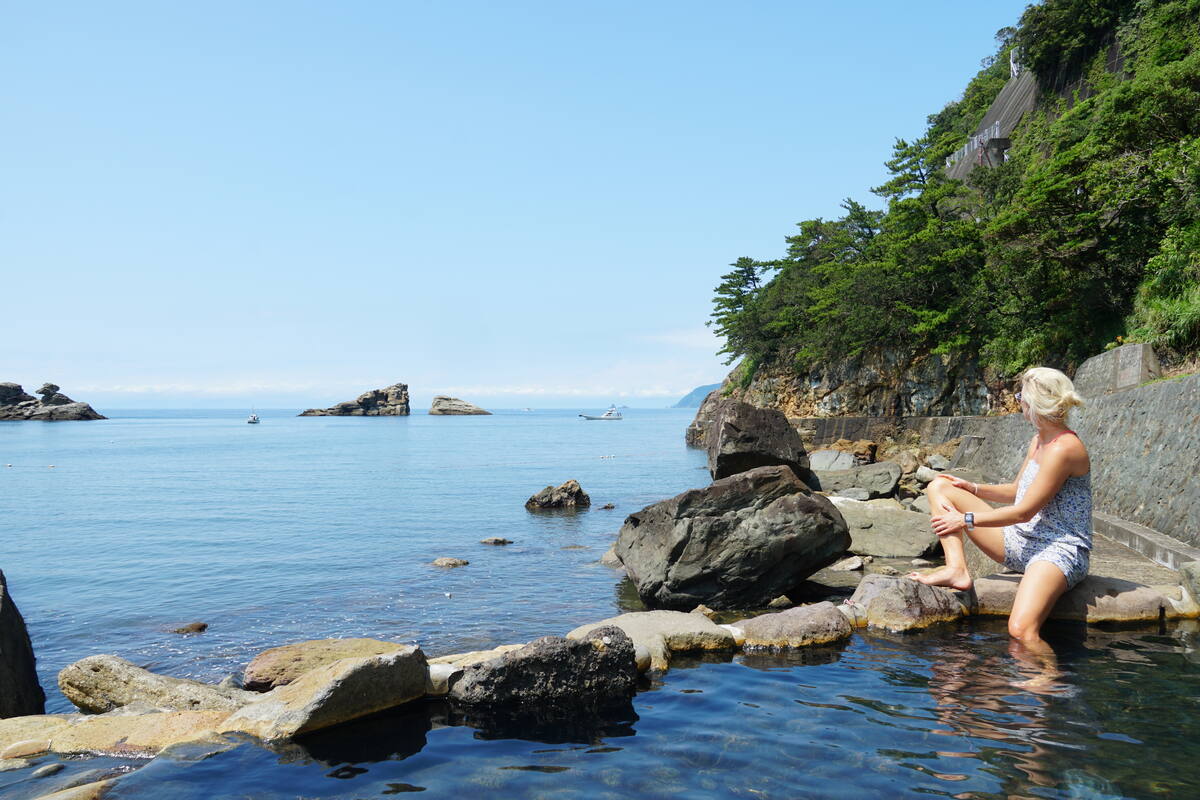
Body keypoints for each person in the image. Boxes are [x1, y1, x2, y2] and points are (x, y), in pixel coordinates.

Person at [909, 367, 1091, 652]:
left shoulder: (1064, 448)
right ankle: (956, 569)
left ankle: (1052, 689)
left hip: (1057, 550)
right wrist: (972, 488)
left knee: (1020, 631)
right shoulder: (1039, 439)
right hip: (1020, 541)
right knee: (940, 485)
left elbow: (1023, 512)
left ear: (1033, 402)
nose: (1019, 402)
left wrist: (965, 519)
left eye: (1021, 396)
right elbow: (1016, 492)